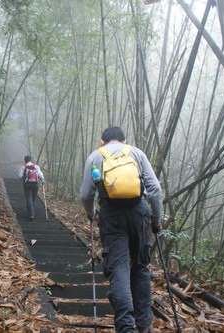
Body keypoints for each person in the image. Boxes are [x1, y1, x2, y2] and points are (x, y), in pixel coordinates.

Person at [80, 126, 162, 333]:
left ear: (102, 141)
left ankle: (126, 327)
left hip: (111, 215)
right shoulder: (136, 153)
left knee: (119, 269)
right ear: (124, 141)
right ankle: (144, 324)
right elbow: (155, 189)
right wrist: (156, 220)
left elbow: (86, 194)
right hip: (139, 212)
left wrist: (90, 213)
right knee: (140, 267)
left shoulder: (95, 157)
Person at [18, 155, 45, 221]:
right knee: (33, 198)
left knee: (29, 198)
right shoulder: (36, 166)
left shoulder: (23, 167)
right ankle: (30, 211)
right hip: (35, 184)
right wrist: (43, 180)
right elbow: (40, 175)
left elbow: (20, 175)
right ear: (31, 160)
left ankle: (31, 214)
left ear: (25, 160)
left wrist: (24, 178)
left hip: (27, 184)